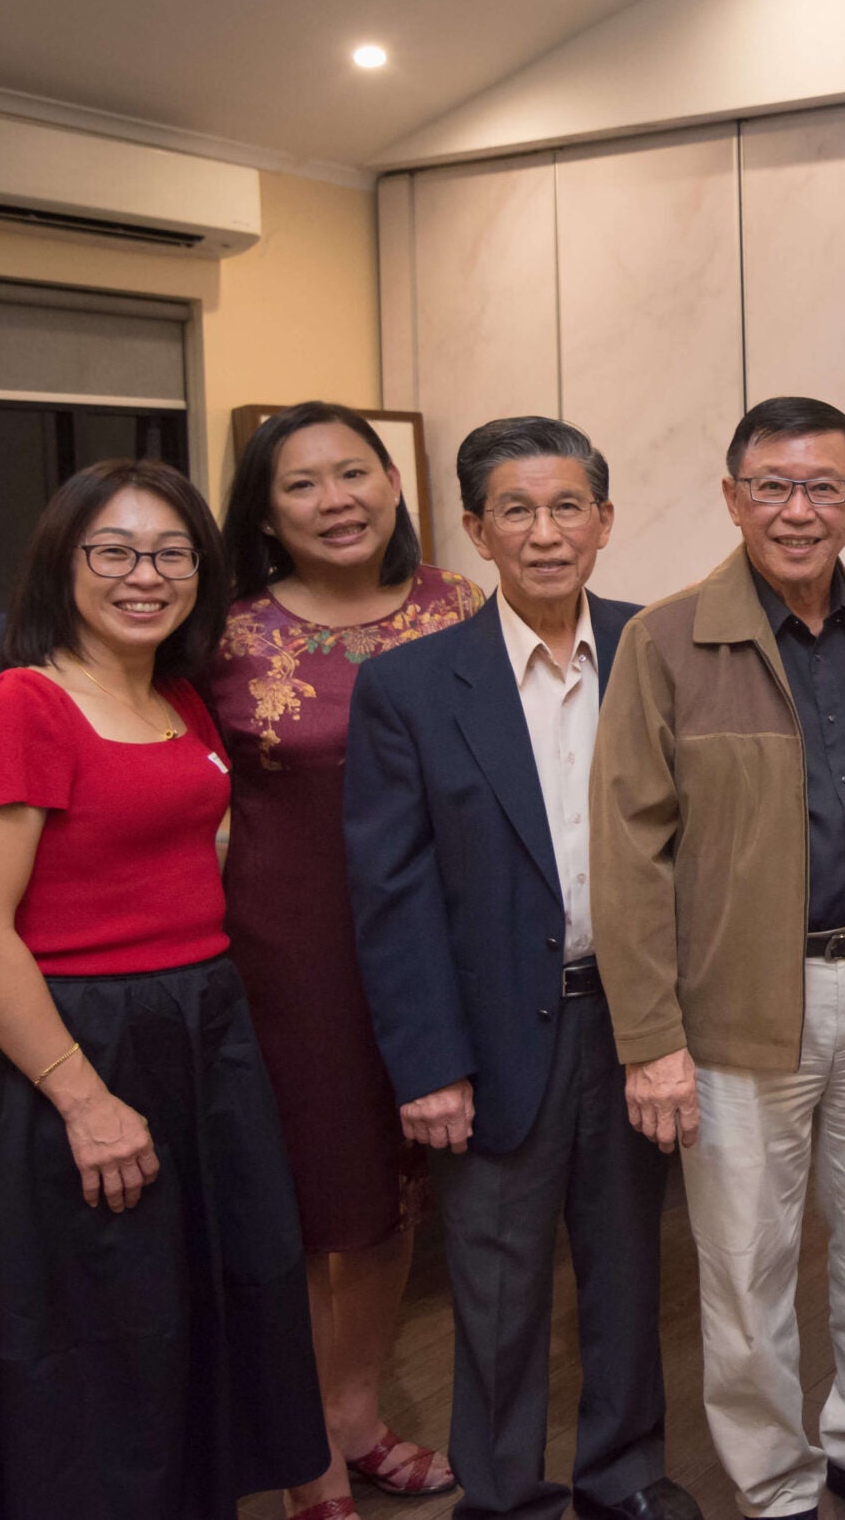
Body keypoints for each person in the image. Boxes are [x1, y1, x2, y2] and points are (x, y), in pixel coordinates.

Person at [0, 460, 327, 1518]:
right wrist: (83, 1099)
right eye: (116, 551)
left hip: (199, 1030)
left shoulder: (176, 696)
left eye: (173, 552)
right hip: (77, 1042)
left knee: (195, 1321)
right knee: (96, 1343)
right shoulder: (13, 709)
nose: (148, 574)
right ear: (63, 563)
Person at [591, 397, 845, 1520]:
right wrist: (650, 1042)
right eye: (773, 487)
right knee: (745, 1264)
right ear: (733, 496)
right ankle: (776, 1478)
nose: (798, 512)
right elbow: (627, 855)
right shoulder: (663, 642)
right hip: (738, 1005)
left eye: (823, 488)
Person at [344, 417, 701, 1520]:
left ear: (602, 519)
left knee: (628, 1276)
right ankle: (500, 1496)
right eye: (516, 510)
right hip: (489, 1035)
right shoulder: (409, 686)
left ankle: (625, 1476)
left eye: (566, 509)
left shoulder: (660, 649)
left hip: (633, 1023)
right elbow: (391, 896)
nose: (545, 534)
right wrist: (426, 1065)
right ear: (474, 529)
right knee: (495, 1293)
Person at [208, 402, 480, 1512]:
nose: (339, 500)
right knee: (297, 1201)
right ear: (265, 514)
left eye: (357, 473)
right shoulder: (220, 632)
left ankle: (356, 1416)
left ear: (393, 485)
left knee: (389, 1196)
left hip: (433, 945)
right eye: (304, 484)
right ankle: (301, 1448)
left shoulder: (458, 607)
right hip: (287, 954)